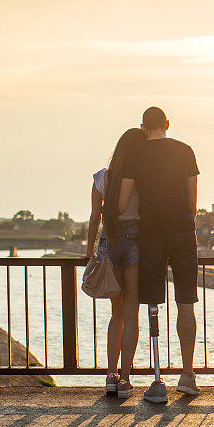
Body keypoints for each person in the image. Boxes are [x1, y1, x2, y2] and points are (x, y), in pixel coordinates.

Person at [119, 106, 200, 403]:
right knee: (186, 302)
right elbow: (193, 199)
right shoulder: (185, 150)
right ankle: (188, 374)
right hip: (182, 231)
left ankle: (156, 379)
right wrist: (186, 219)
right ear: (167, 124)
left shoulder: (134, 154)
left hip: (151, 233)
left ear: (143, 127)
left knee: (152, 303)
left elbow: (124, 199)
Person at [84, 128, 147, 399]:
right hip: (136, 242)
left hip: (109, 244)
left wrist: (89, 252)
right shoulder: (143, 178)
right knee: (132, 313)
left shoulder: (102, 177)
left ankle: (110, 376)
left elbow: (94, 219)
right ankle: (124, 379)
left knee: (117, 314)